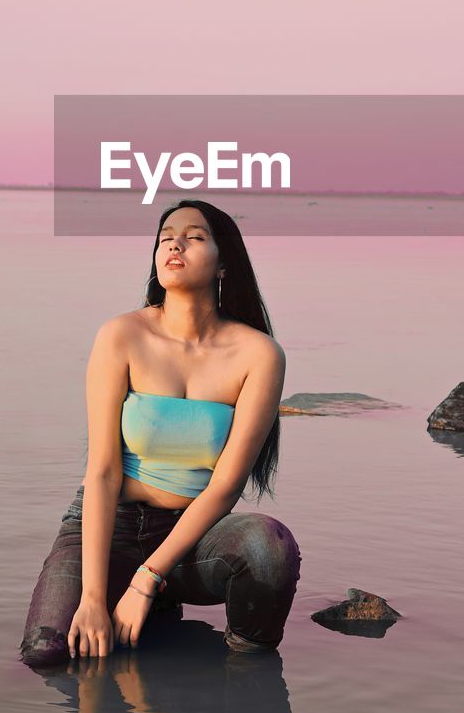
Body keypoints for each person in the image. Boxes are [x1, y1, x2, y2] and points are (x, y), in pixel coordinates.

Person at [20, 199, 302, 667]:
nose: (175, 242)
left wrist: (146, 579)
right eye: (166, 235)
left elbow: (226, 487)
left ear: (224, 263)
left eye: (194, 236)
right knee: (47, 654)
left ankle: (243, 676)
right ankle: (143, 605)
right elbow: (104, 471)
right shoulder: (122, 335)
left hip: (195, 536)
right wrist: (93, 598)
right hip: (111, 526)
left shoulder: (259, 354)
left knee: (268, 548)